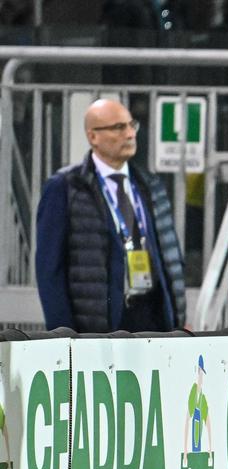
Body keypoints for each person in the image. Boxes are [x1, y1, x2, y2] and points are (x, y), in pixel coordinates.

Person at [36, 99, 186, 333]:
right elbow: (49, 269)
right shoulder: (66, 187)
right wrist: (62, 335)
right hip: (97, 325)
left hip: (151, 316)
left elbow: (169, 255)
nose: (129, 134)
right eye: (118, 127)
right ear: (93, 136)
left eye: (131, 125)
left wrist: (177, 317)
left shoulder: (150, 185)